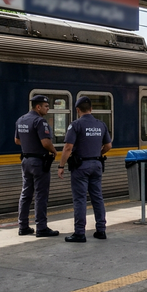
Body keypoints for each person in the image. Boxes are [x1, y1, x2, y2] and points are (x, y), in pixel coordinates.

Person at [58, 96, 112, 243]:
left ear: (77, 110)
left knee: (80, 199)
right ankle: (101, 230)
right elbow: (108, 146)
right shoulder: (101, 124)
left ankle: (80, 233)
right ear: (91, 109)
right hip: (96, 165)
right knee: (97, 198)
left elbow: (68, 147)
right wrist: (96, 154)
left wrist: (61, 165)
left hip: (80, 167)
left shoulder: (76, 125)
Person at [15, 95, 60, 237]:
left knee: (26, 194)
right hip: (39, 162)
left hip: (26, 161)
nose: (48, 108)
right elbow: (46, 142)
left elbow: (17, 140)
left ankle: (23, 226)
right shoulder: (40, 121)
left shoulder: (21, 120)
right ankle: (41, 227)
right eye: (46, 106)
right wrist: (54, 151)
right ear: (38, 107)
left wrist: (30, 144)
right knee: (41, 195)